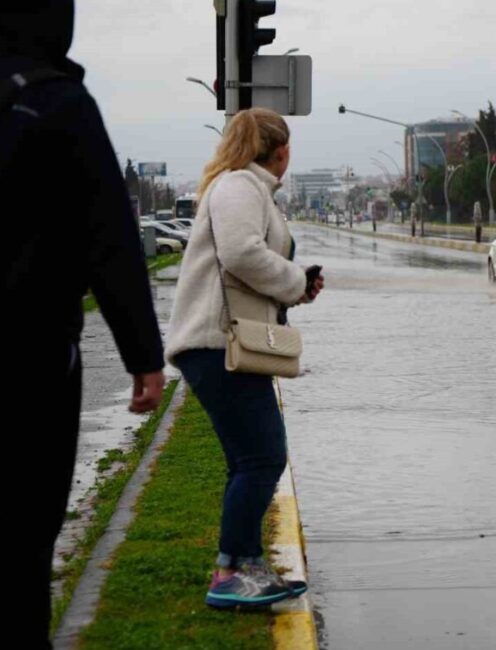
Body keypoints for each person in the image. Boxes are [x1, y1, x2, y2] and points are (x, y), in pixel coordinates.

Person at [0, 0, 166, 646]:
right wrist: (143, 356)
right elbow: (108, 237)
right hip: (26, 354)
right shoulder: (59, 103)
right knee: (20, 523)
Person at [165, 107, 324, 609]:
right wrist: (295, 280)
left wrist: (297, 288)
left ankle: (246, 566)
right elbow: (240, 253)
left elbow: (247, 260)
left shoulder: (245, 187)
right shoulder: (239, 187)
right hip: (217, 344)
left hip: (224, 344)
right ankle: (231, 572)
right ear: (281, 151)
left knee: (248, 461)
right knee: (263, 457)